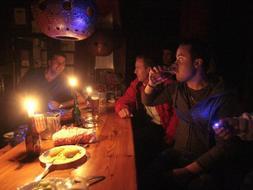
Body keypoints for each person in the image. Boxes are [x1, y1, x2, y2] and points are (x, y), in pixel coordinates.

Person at [141, 39, 250, 190]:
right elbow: (148, 100)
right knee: (146, 177)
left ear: (197, 63)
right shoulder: (177, 89)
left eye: (180, 59)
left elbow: (225, 147)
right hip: (177, 154)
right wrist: (151, 84)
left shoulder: (221, 96)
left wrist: (187, 171)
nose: (175, 64)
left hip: (205, 164)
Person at [115, 54, 178, 187]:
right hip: (149, 124)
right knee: (123, 139)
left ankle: (134, 181)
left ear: (149, 70)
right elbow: (123, 100)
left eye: (138, 68)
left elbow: (177, 113)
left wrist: (171, 134)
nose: (134, 71)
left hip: (163, 129)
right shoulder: (137, 84)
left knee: (135, 144)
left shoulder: (168, 85)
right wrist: (122, 108)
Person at [17, 52, 83, 112]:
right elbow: (19, 92)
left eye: (63, 63)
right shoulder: (33, 74)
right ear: (49, 62)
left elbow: (81, 99)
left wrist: (60, 105)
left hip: (50, 117)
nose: (60, 65)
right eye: (57, 62)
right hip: (28, 113)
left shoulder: (64, 80)